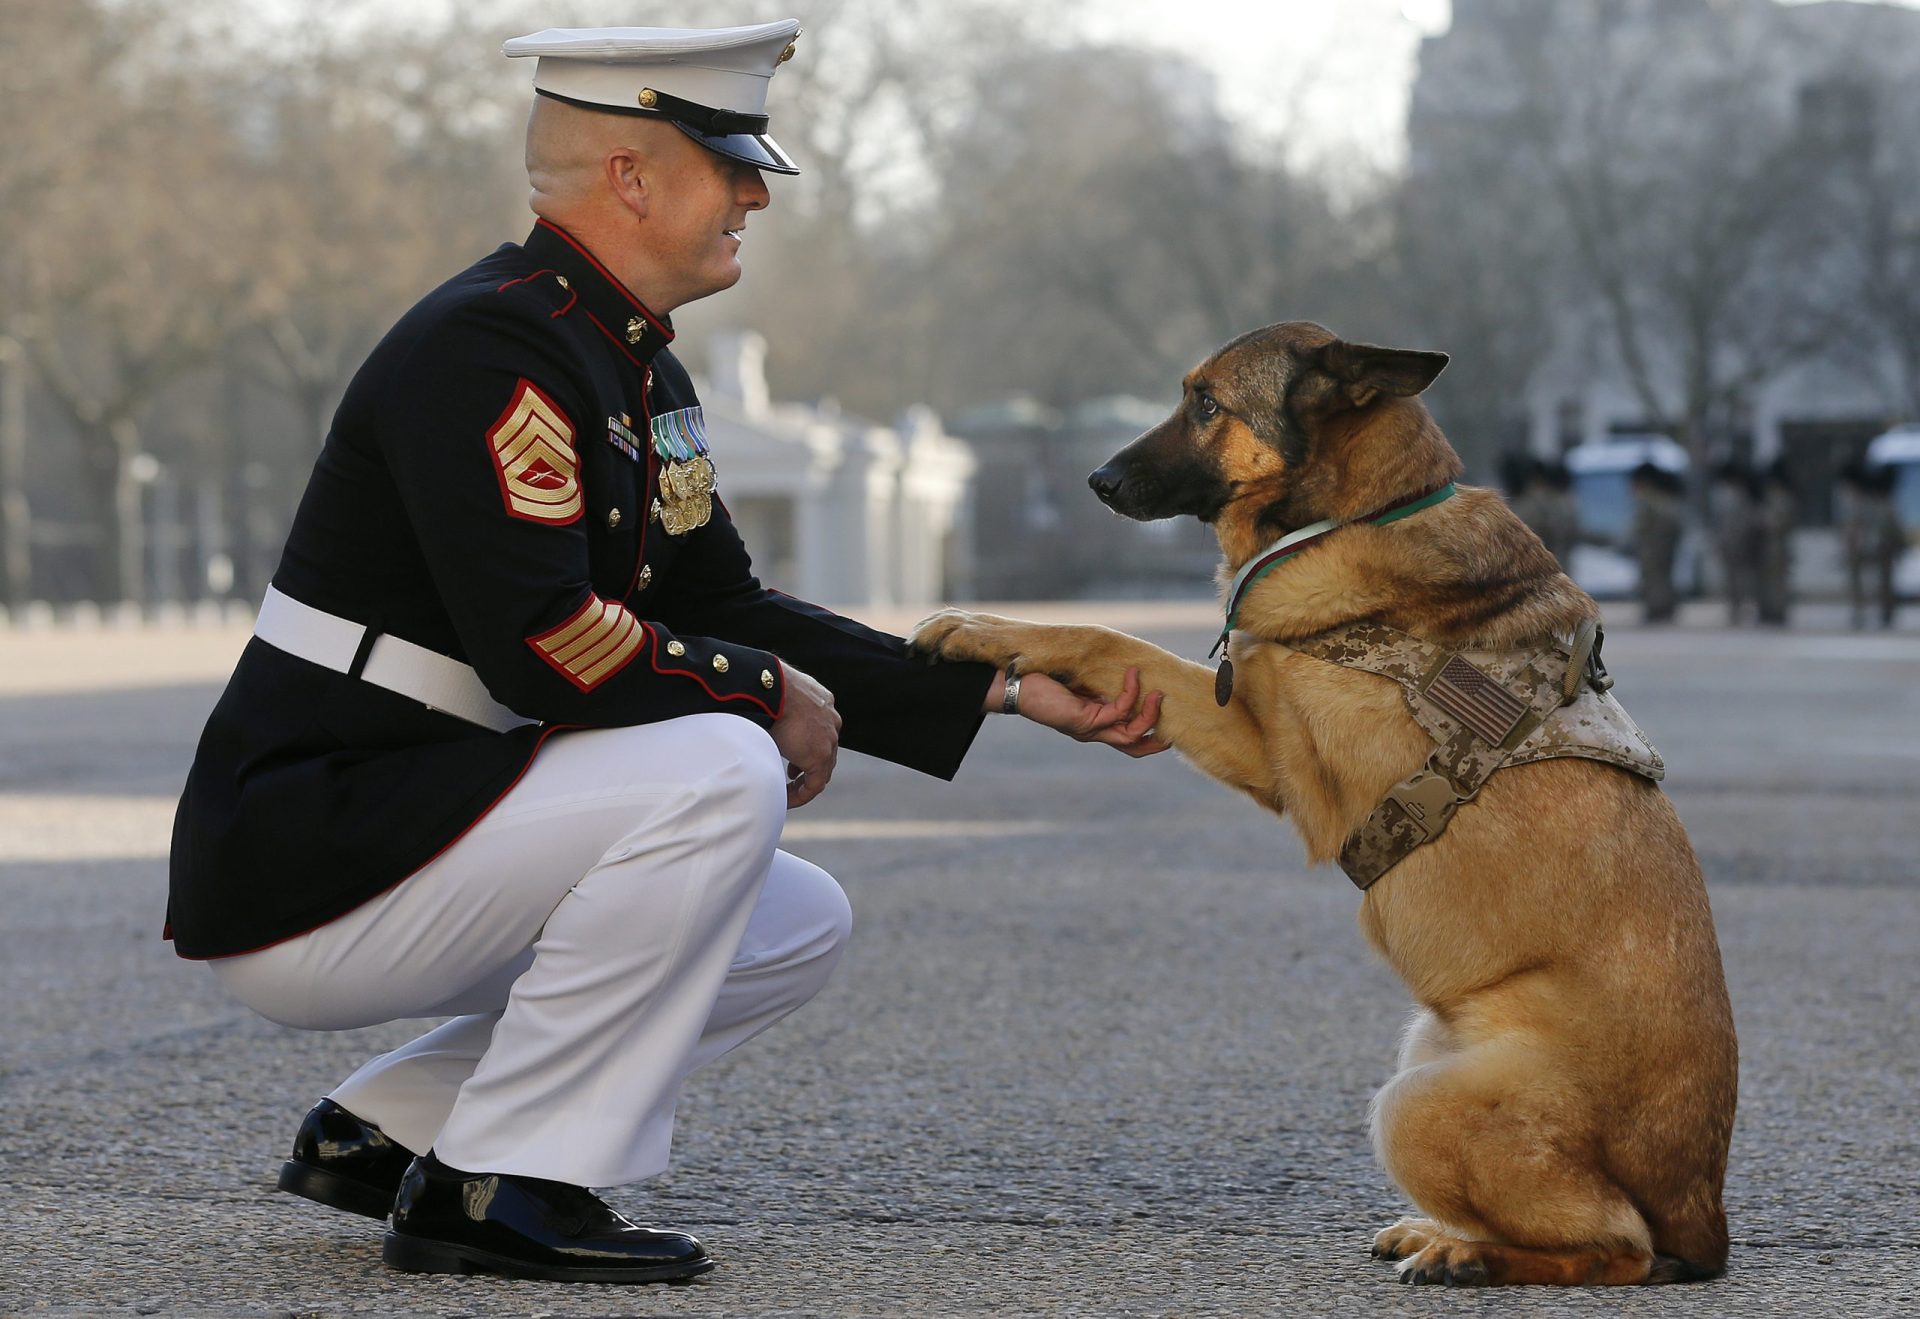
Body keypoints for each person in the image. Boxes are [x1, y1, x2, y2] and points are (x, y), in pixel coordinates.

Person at [167, 21, 1165, 1286]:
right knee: (713, 769)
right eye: (728, 160)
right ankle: (500, 1185)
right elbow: (545, 643)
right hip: (315, 850)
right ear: (630, 178)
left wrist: (1005, 687)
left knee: (792, 919)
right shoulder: (491, 347)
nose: (756, 189)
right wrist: (764, 698)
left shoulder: (630, 363)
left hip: (423, 818)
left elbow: (729, 602)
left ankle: (392, 1132)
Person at [1838, 460, 1904, 629]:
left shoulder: (1864, 500)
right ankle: (1878, 609)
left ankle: (1872, 609)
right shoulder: (1869, 499)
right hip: (1874, 542)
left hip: (1874, 542)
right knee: (1882, 580)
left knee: (1879, 580)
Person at [1628, 461, 1683, 624]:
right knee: (1664, 578)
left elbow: (1641, 526)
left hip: (1652, 548)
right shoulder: (1667, 499)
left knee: (1653, 580)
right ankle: (1665, 608)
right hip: (1665, 547)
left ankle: (1656, 610)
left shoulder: (1648, 500)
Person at [1708, 460, 1758, 625]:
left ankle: (1739, 608)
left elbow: (1743, 523)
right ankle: (1734, 608)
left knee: (1739, 580)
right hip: (1730, 544)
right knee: (1732, 580)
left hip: (1739, 543)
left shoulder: (1740, 497)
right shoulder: (1728, 497)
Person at [1754, 457, 1796, 626]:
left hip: (1778, 544)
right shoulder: (1772, 497)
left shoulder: (1783, 498)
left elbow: (1782, 522)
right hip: (1768, 545)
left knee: (1778, 582)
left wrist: (1764, 521)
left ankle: (1778, 611)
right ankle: (1770, 610)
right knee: (1768, 581)